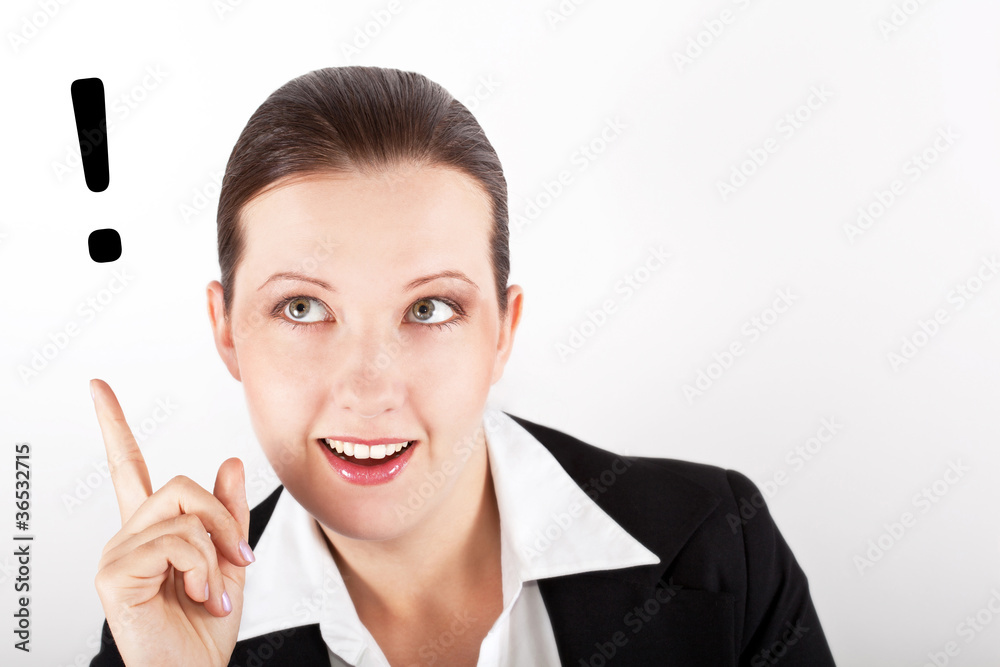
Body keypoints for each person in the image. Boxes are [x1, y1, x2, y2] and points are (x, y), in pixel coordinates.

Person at [90, 66, 836, 666]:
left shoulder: (717, 545)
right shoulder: (163, 626)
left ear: (503, 331)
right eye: (303, 307)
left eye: (428, 308)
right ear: (226, 330)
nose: (369, 389)